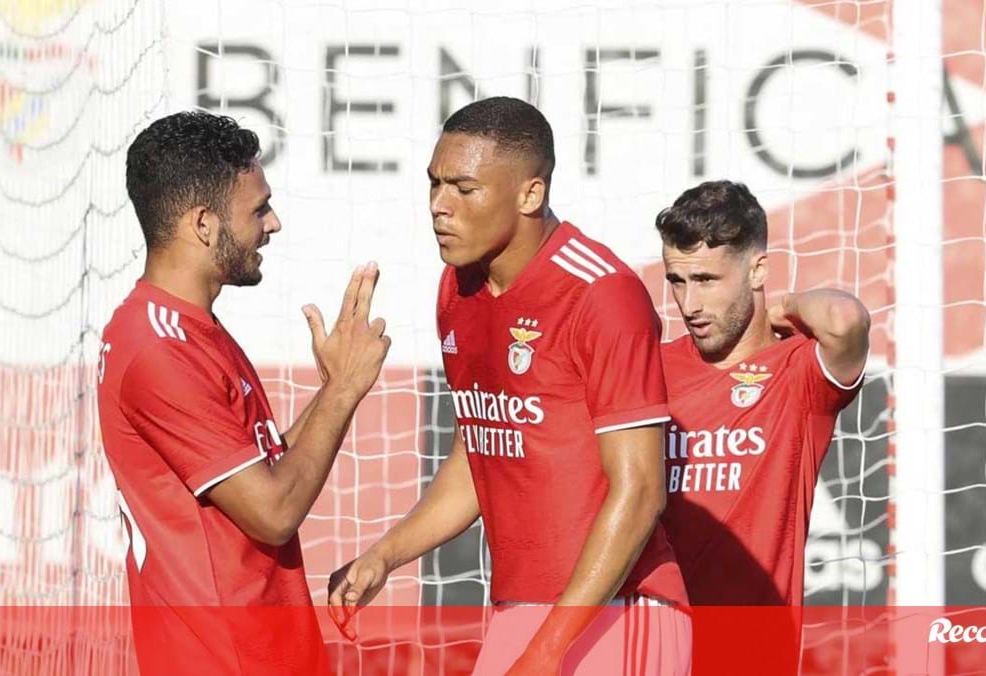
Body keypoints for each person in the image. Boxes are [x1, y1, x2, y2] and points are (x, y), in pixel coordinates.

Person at [327, 97, 691, 675]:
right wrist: (385, 556)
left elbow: (642, 490)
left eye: (464, 189)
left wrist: (549, 649)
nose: (439, 207)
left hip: (620, 611)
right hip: (521, 611)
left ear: (530, 194)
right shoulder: (456, 290)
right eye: (434, 185)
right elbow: (481, 454)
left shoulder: (600, 293)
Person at [97, 110, 390, 674]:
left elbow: (263, 475)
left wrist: (332, 388)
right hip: (227, 659)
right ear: (204, 223)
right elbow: (273, 512)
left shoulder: (184, 327)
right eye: (258, 208)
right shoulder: (160, 349)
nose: (273, 223)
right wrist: (344, 392)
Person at [654, 180, 869, 663]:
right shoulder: (650, 368)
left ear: (758, 270)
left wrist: (784, 305)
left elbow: (844, 319)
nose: (689, 305)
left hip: (751, 653)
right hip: (654, 643)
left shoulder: (798, 373)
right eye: (677, 281)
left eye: (707, 280)